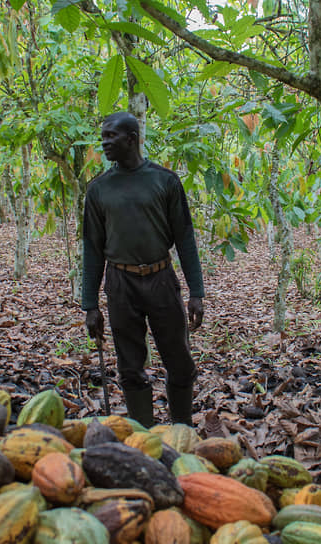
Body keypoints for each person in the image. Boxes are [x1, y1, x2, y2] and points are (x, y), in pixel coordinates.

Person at [81, 111, 205, 428]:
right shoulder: (99, 190)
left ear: (132, 138)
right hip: (120, 283)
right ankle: (143, 437)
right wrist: (90, 305)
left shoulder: (164, 181)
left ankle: (182, 430)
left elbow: (185, 238)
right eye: (103, 135)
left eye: (111, 136)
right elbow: (92, 248)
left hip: (161, 279)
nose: (104, 142)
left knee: (178, 362)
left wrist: (196, 293)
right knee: (130, 367)